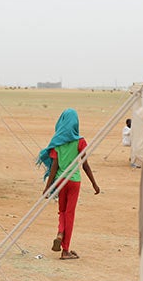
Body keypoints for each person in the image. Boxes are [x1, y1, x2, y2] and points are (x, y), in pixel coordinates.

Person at [37, 108, 100, 260]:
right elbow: (85, 165)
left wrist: (48, 187)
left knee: (62, 212)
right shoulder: (80, 141)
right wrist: (94, 183)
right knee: (70, 214)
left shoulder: (58, 142)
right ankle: (65, 251)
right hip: (74, 181)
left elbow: (54, 166)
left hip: (60, 181)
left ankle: (60, 233)